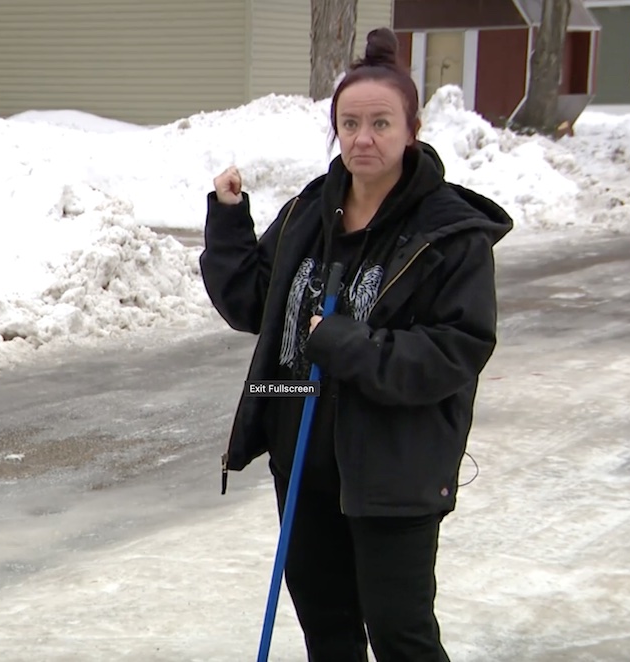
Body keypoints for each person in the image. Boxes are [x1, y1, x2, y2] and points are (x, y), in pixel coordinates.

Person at [199, 27, 513, 662]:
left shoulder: (449, 234)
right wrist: (230, 221)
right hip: (303, 464)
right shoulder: (310, 211)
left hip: (394, 472)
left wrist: (349, 346)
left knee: (401, 635)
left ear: (411, 129)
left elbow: (455, 351)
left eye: (381, 123)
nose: (363, 138)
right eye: (350, 123)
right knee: (328, 631)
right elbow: (253, 305)